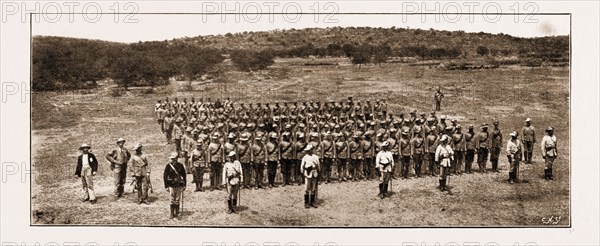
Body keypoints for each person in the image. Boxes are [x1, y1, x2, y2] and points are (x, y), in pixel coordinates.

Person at [163, 152, 187, 219]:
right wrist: (166, 186)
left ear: (177, 159)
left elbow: (184, 176)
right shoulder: (168, 166)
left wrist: (184, 185)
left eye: (174, 159)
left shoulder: (180, 166)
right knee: (172, 199)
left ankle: (177, 212)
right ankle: (171, 213)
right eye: (172, 159)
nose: (173, 160)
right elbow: (165, 176)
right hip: (171, 185)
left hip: (179, 185)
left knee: (177, 199)